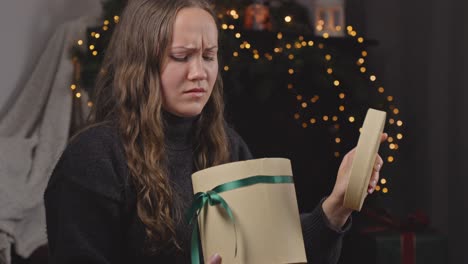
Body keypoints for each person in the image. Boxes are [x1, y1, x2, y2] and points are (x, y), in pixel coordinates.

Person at [44, 0, 387, 263]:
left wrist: (337, 205)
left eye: (209, 56)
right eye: (181, 56)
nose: (200, 72)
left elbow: (278, 252)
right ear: (142, 64)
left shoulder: (225, 144)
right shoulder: (93, 159)